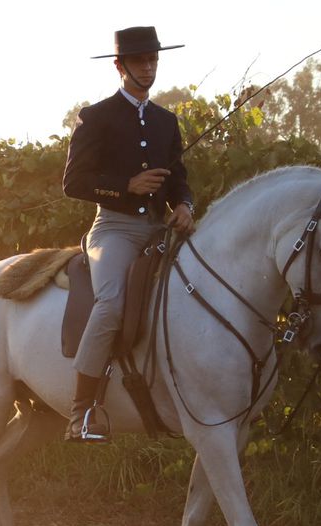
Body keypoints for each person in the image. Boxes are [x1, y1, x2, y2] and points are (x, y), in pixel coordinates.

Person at [62, 26, 197, 442]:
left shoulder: (166, 121)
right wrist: (127, 185)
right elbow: (73, 182)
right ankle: (81, 411)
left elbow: (178, 178)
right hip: (115, 230)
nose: (148, 65)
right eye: (139, 60)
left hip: (159, 228)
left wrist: (185, 206)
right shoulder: (96, 116)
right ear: (120, 66)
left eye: (153, 58)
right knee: (112, 304)